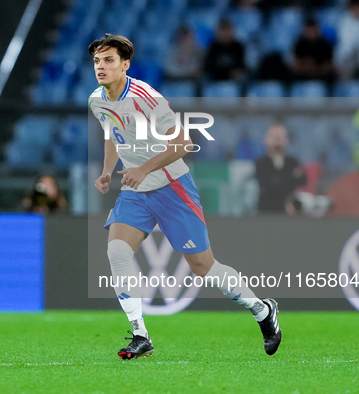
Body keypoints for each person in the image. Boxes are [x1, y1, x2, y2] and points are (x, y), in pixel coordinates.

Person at [88, 33, 281, 360]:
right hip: (136, 191)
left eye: (108, 60)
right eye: (97, 61)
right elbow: (113, 134)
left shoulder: (145, 97)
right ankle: (140, 335)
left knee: (203, 266)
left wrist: (144, 168)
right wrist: (108, 170)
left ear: (125, 65)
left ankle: (262, 310)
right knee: (117, 252)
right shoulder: (97, 100)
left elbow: (182, 143)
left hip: (172, 187)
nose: (101, 67)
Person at [255, 124, 307, 214]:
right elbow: (267, 185)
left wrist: (277, 179)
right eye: (274, 136)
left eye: (280, 136)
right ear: (265, 139)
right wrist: (291, 176)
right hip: (267, 210)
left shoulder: (292, 161)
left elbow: (303, 180)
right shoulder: (261, 163)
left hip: (290, 210)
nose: (277, 139)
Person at [291, 17, 335, 82]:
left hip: (320, 75)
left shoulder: (325, 44)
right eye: (309, 30)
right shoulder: (299, 44)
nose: (311, 33)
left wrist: (316, 68)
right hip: (303, 74)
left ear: (318, 30)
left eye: (313, 30)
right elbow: (295, 64)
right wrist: (307, 67)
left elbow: (329, 65)